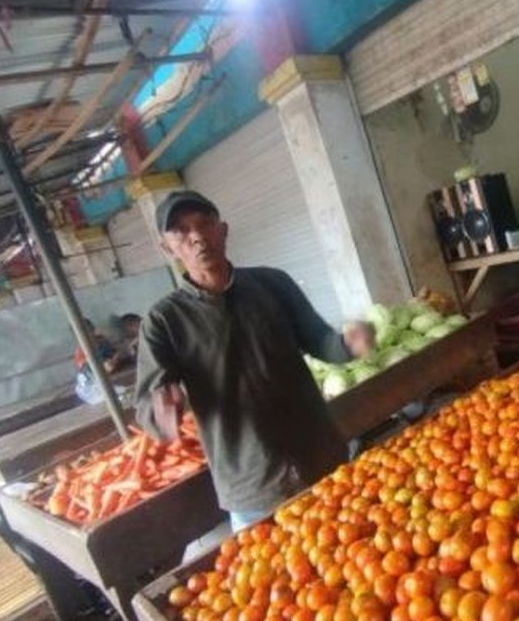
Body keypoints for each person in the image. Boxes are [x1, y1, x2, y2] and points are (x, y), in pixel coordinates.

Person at [134, 191, 375, 530]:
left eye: (205, 224)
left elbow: (320, 341)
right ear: (168, 248)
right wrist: (164, 410)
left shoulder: (272, 283)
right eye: (181, 231)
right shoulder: (163, 321)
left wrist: (348, 345)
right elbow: (148, 409)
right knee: (274, 580)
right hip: (252, 487)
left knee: (359, 557)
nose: (197, 236)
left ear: (224, 230)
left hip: (319, 456)